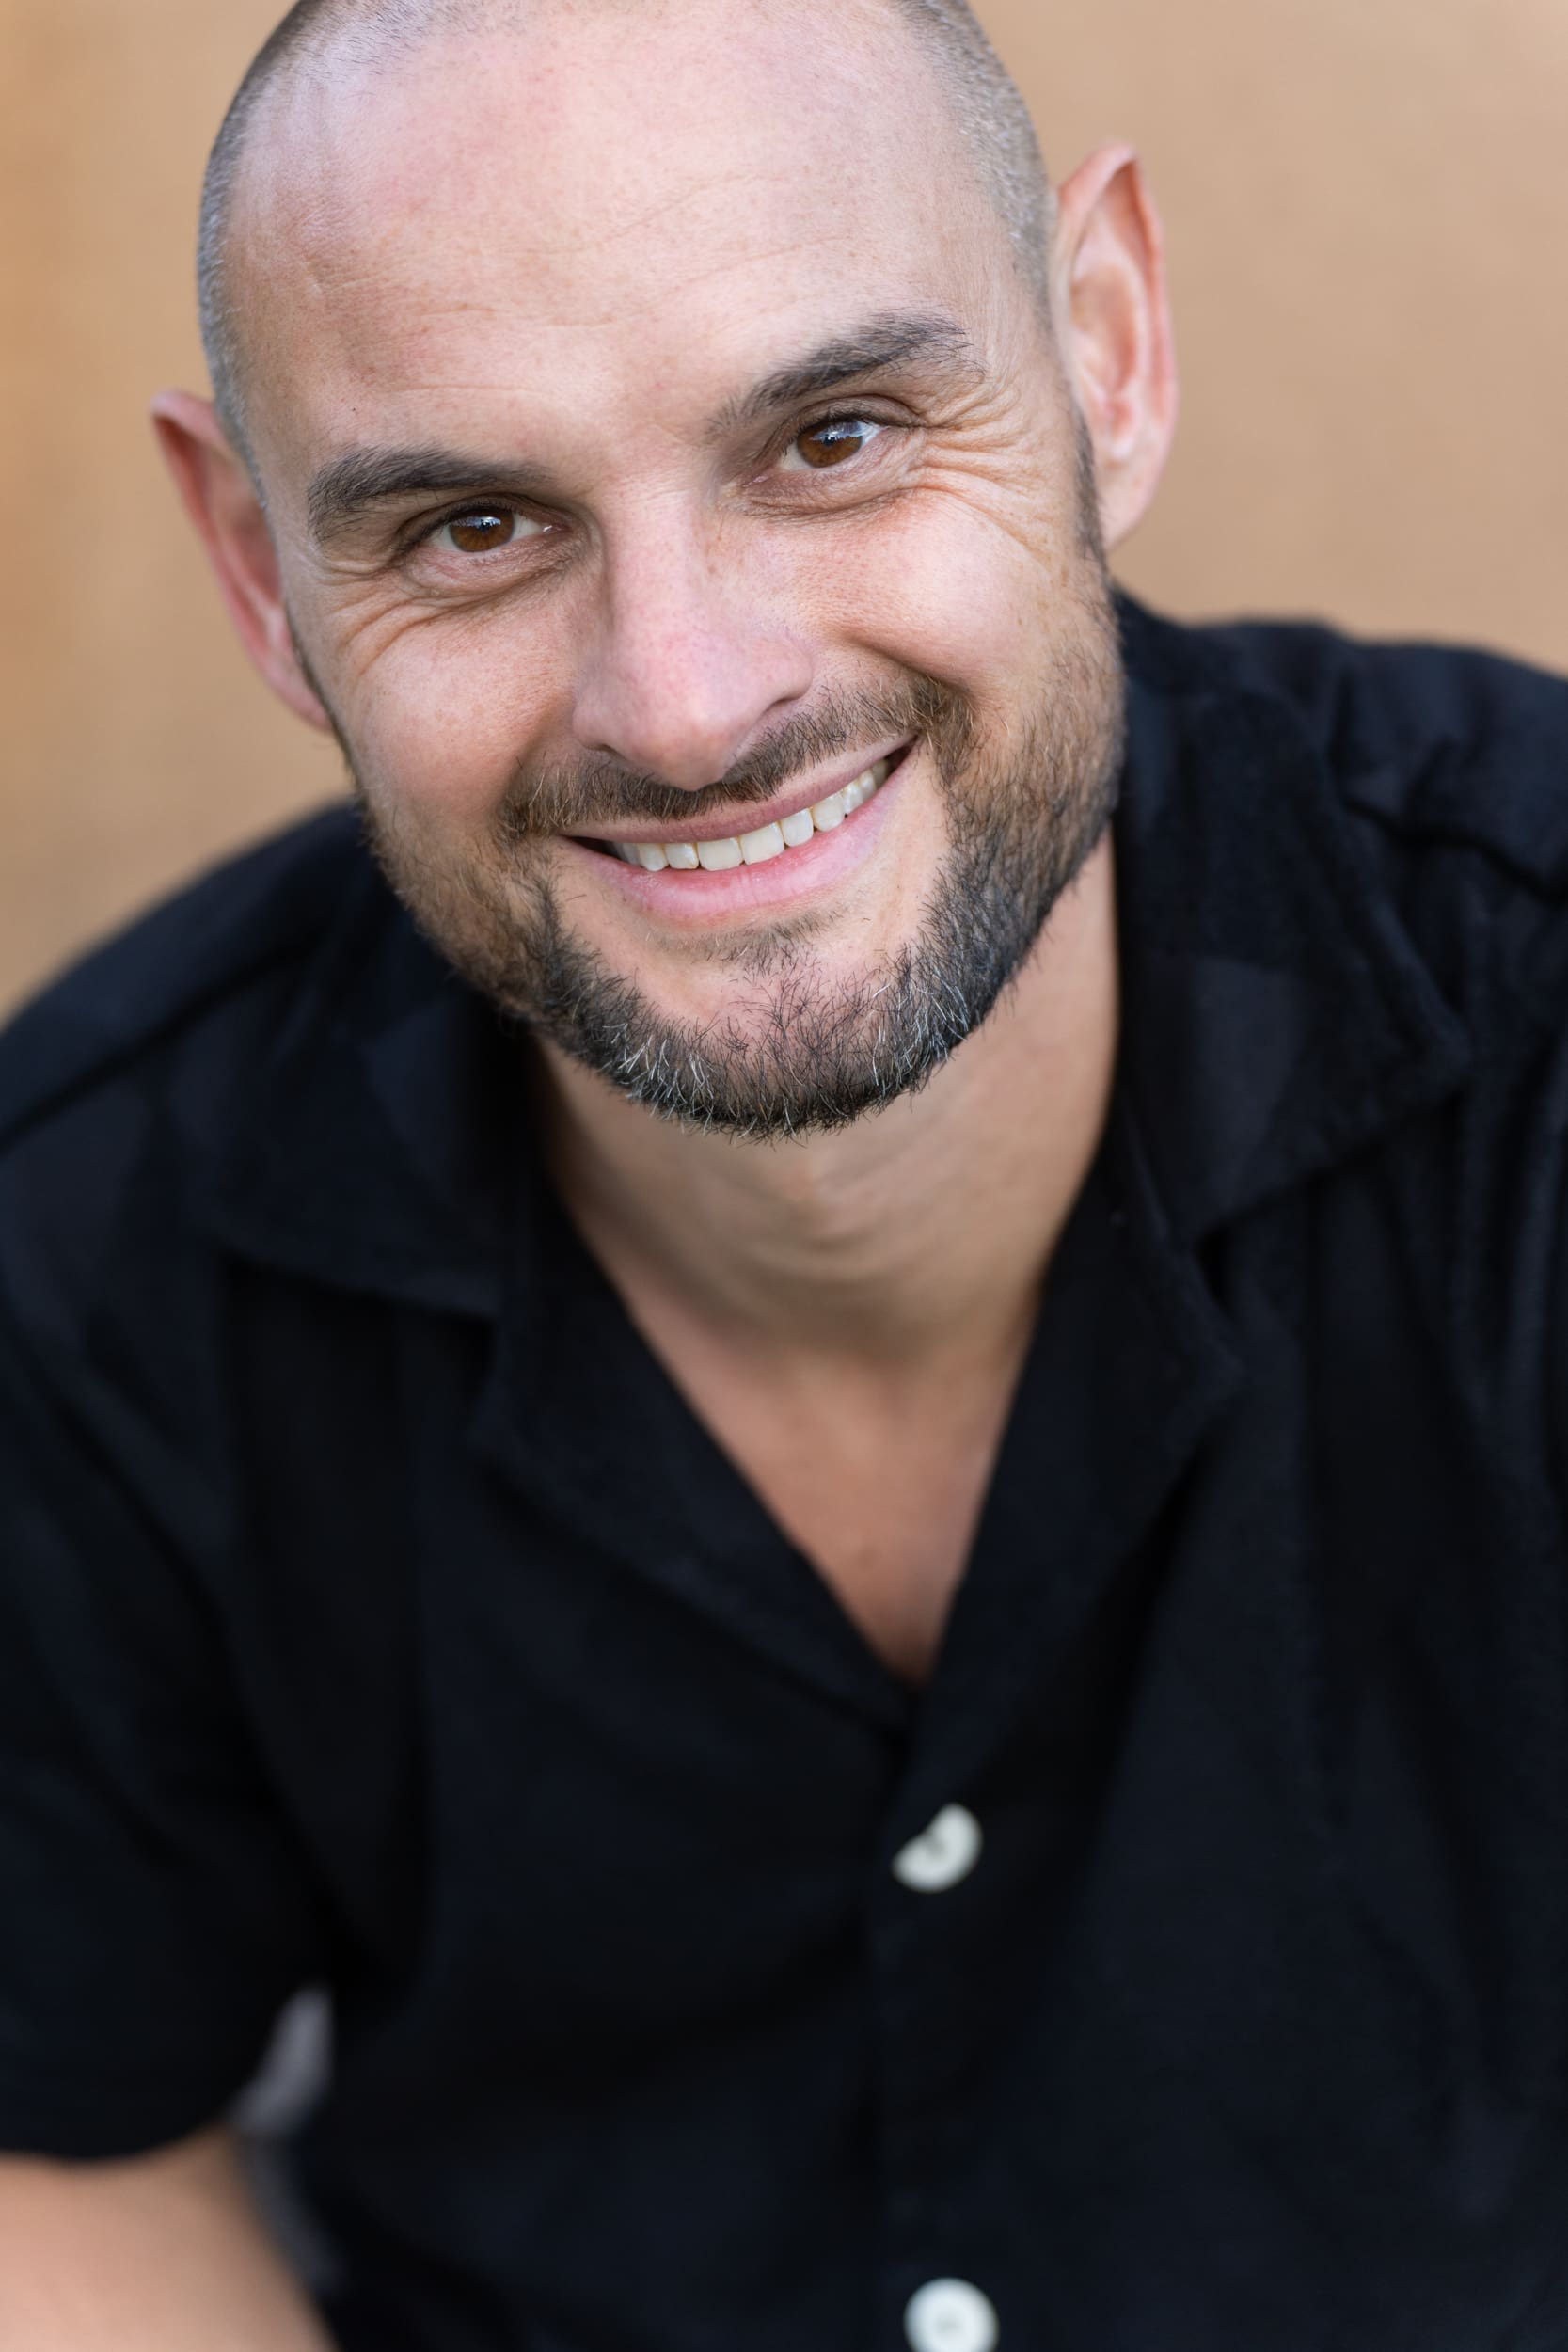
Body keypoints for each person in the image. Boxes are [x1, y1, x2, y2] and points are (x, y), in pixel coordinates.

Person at [3, 0, 1568, 2344]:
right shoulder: (85, 1241)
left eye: (833, 434)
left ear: (1106, 356)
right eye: (472, 523)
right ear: (263, 577)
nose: (688, 697)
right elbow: (56, 2150)